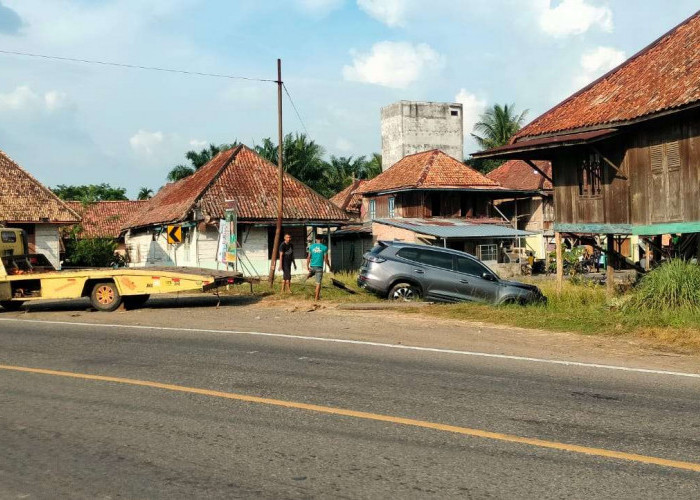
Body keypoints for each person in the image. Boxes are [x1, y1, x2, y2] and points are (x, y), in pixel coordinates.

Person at [306, 235, 330, 301]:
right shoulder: (324, 247)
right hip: (319, 267)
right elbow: (326, 259)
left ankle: (308, 276)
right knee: (318, 283)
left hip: (312, 266)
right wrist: (329, 266)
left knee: (311, 273)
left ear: (316, 239)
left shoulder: (311, 247)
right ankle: (316, 298)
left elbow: (308, 257)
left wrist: (307, 266)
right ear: (322, 239)